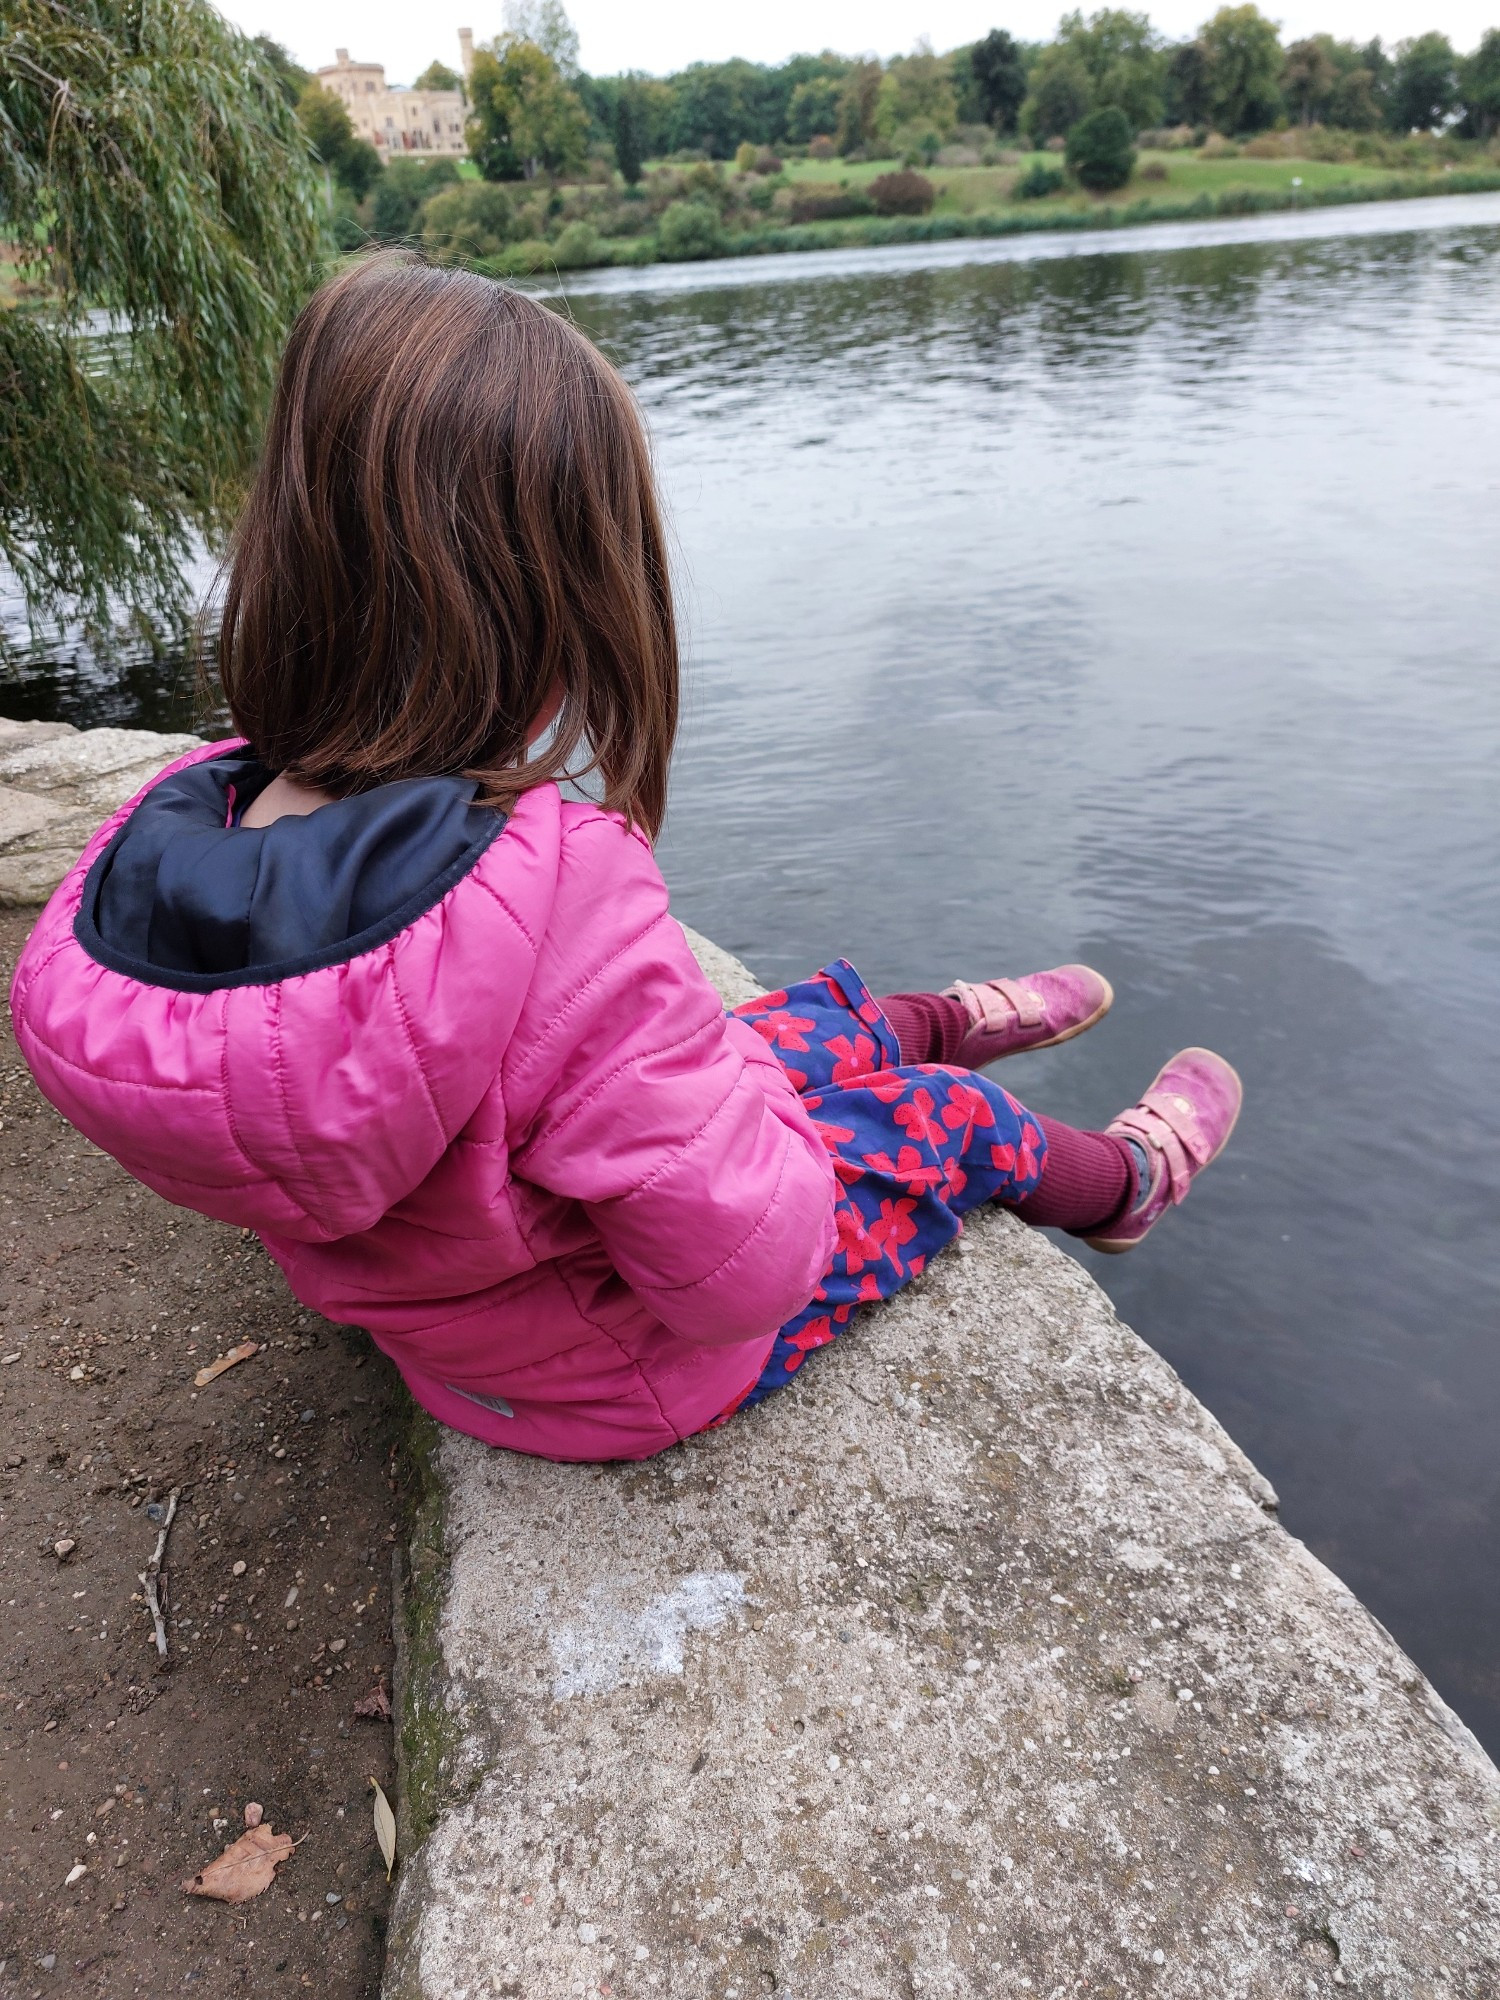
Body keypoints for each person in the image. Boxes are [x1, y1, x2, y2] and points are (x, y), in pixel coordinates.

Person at [9, 255, 1241, 1464]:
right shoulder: (549, 895)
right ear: (562, 617)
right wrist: (781, 1128)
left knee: (778, 1028)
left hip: (453, 1337)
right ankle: (1122, 1180)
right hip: (623, 1369)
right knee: (947, 1118)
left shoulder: (182, 851)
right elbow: (745, 1268)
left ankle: (919, 1014)